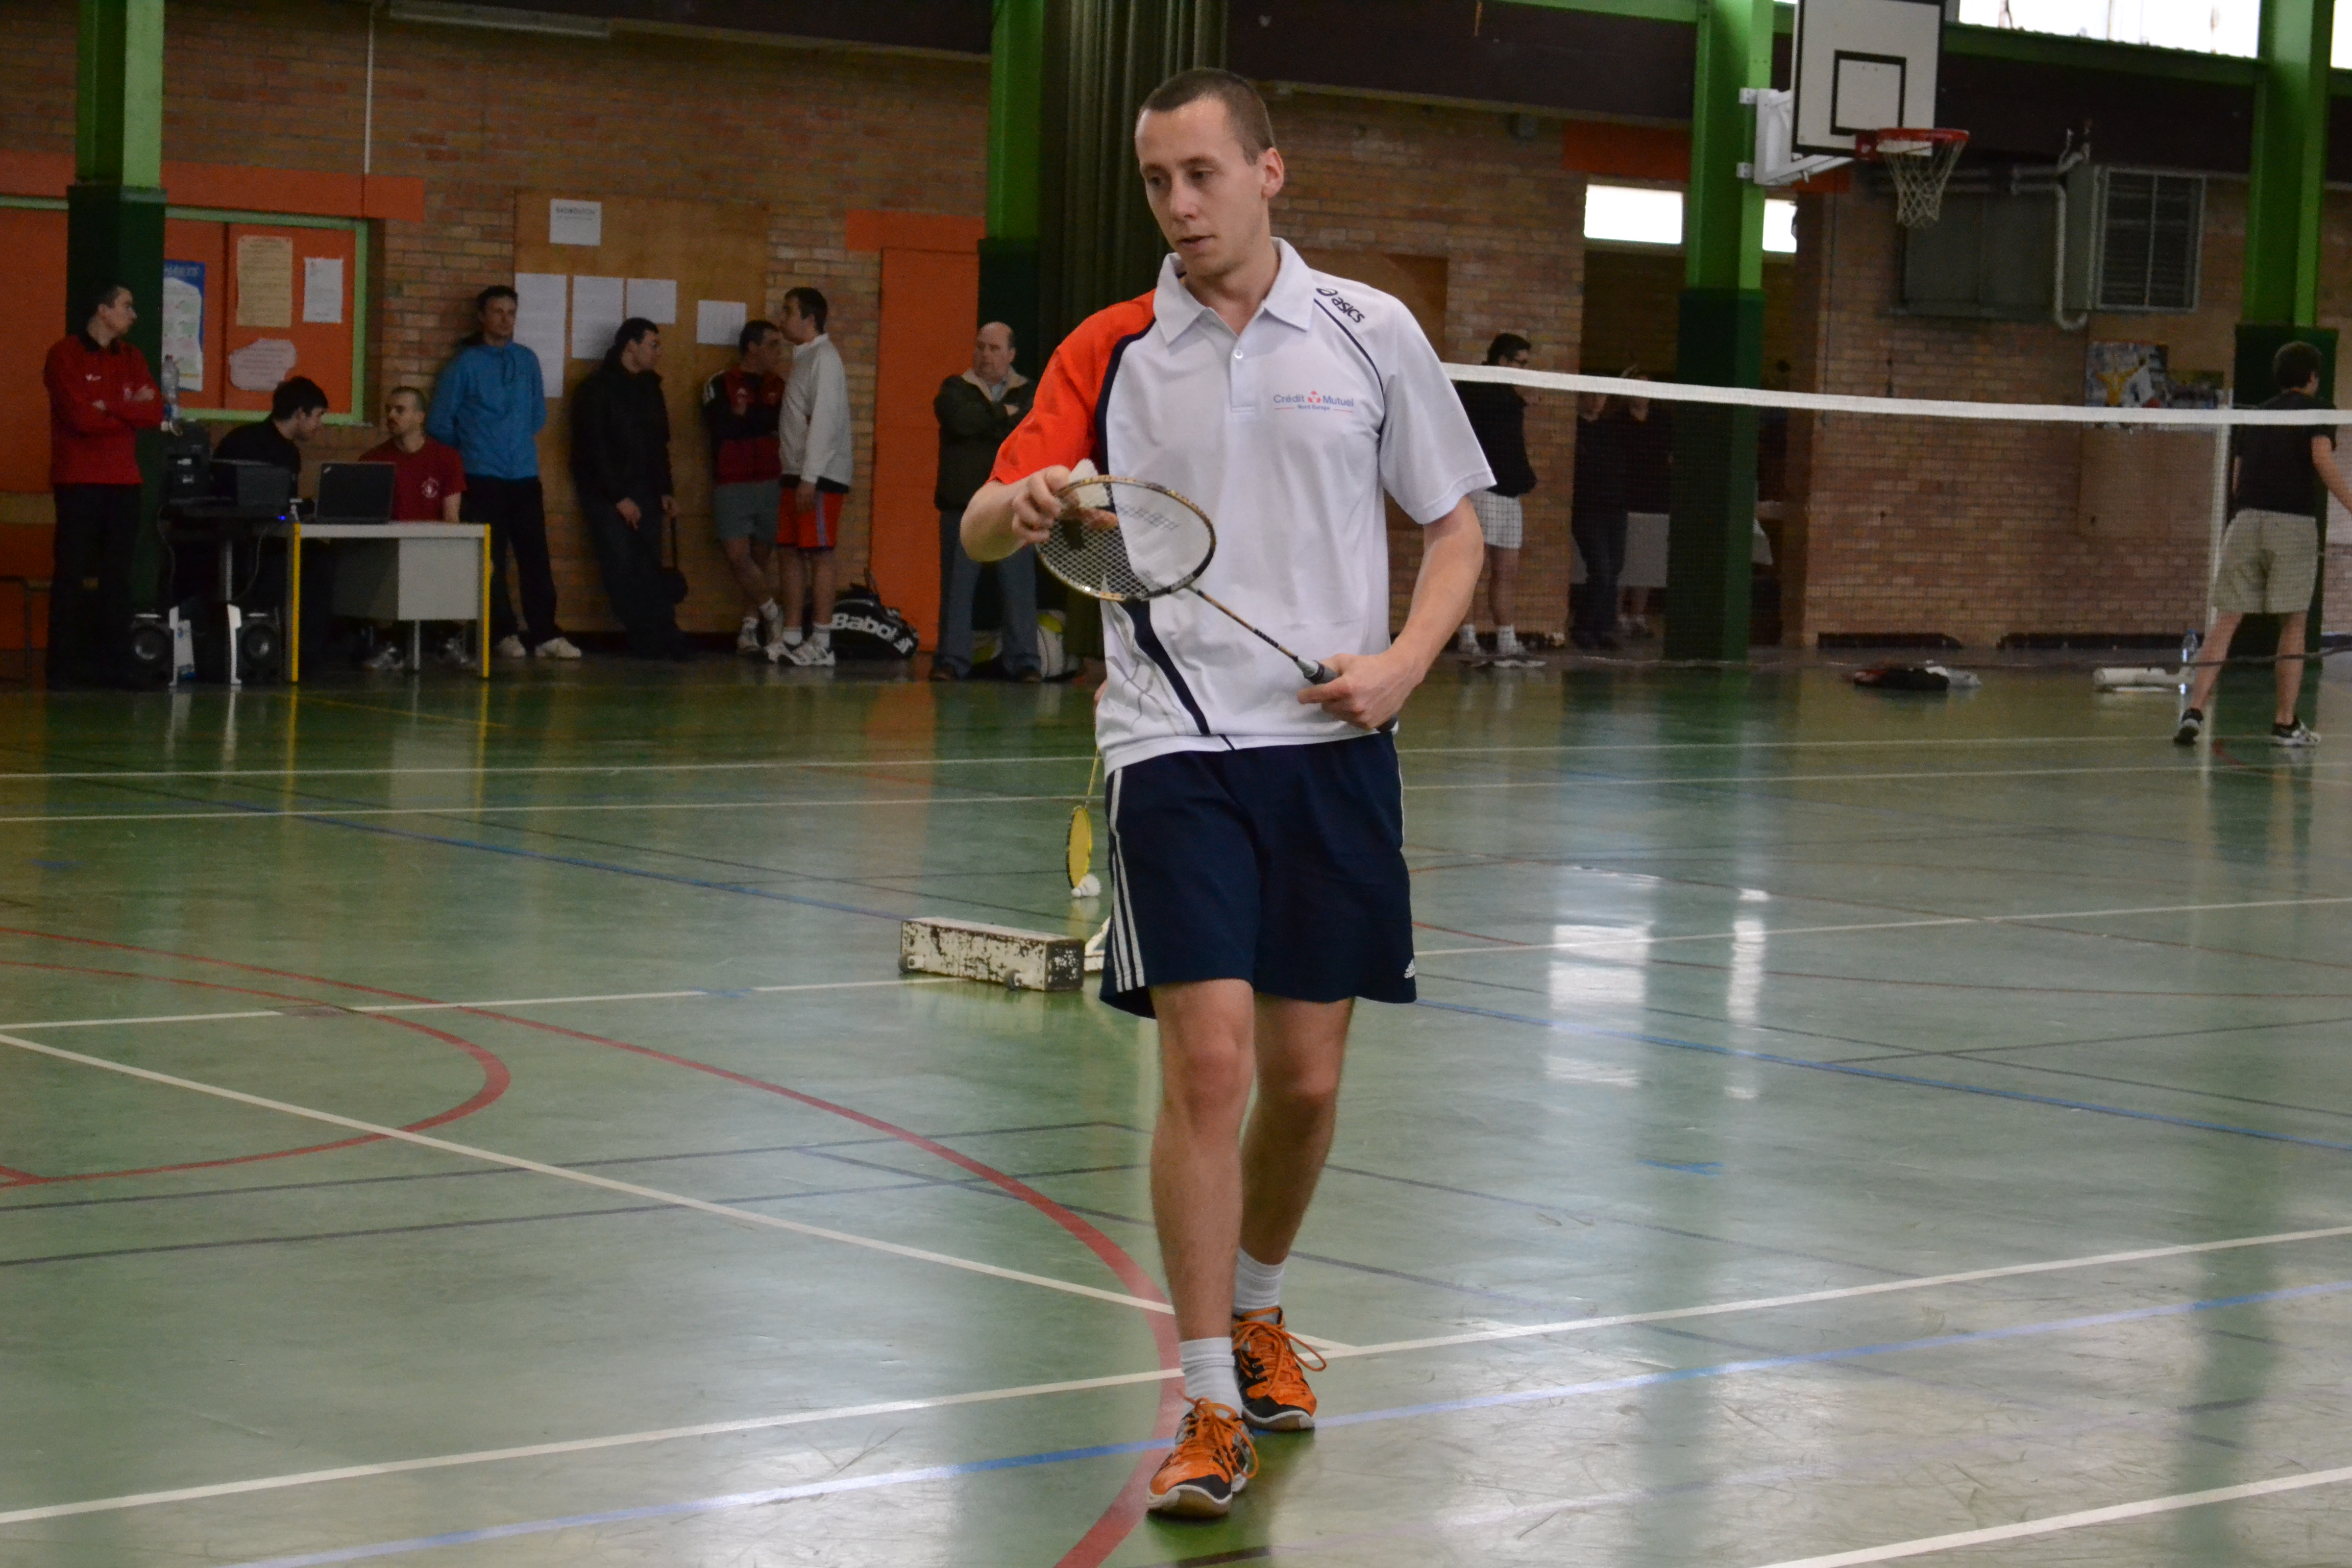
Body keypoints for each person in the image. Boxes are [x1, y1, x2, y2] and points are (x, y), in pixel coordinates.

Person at [961, 67, 1489, 1521]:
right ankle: (1203, 1401)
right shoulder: (1111, 346)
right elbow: (986, 520)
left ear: (1270, 171)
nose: (1179, 206)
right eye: (1157, 181)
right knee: (1209, 1064)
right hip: (1173, 743)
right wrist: (1029, 501)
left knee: (1306, 1081)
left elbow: (1456, 530)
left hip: (1334, 743)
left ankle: (1259, 1305)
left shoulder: (1370, 330)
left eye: (1201, 174)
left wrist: (1402, 664)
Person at [2176, 339, 2350, 748]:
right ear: (2313, 377)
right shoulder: (2319, 410)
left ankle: (2194, 711)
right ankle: (2285, 723)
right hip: (2291, 525)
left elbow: (2238, 478)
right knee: (2293, 623)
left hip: (2245, 521)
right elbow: (2322, 459)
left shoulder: (2255, 415)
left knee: (2227, 620)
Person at [429, 284, 579, 660]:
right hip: (481, 475)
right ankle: (502, 633)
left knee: (535, 557)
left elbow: (537, 415)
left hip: (524, 473)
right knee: (490, 559)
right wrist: (474, 447)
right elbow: (440, 422)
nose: (505, 319)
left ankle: (545, 634)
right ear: (482, 317)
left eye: (511, 312)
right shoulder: (464, 364)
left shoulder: (527, 360)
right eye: (497, 312)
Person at [43, 281, 163, 688]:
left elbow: (154, 414)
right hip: (79, 479)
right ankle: (62, 668)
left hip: (124, 481)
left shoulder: (132, 357)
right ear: (103, 311)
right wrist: (128, 410)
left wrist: (109, 406)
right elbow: (80, 418)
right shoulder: (65, 355)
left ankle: (116, 666)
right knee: (72, 572)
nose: (134, 315)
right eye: (126, 306)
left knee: (118, 576)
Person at [570, 317, 689, 660]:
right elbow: (593, 451)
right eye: (653, 345)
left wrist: (666, 490)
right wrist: (618, 497)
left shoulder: (651, 388)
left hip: (646, 489)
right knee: (621, 563)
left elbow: (659, 445)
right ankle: (642, 633)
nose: (659, 352)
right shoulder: (595, 389)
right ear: (631, 346)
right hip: (607, 493)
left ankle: (664, 630)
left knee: (649, 563)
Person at [932, 322, 1038, 681]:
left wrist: (988, 421)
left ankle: (1025, 662)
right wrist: (1002, 416)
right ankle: (951, 661)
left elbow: (1029, 429)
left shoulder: (1029, 392)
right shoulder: (954, 389)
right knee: (957, 590)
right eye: (980, 347)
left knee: (1019, 588)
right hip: (963, 507)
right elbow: (962, 422)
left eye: (994, 349)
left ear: (1011, 355)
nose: (985, 355)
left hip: (1014, 505)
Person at [357, 386, 468, 671]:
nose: (391, 416)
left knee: (479, 565)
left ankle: (448, 639)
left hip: (434, 545)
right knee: (373, 563)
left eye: (400, 410)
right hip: (390, 546)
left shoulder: (447, 458)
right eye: (388, 410)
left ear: (420, 417)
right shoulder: (373, 460)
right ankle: (391, 645)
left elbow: (452, 517)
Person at [771, 286, 851, 667]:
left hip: (817, 477)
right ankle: (790, 635)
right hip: (794, 472)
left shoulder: (825, 359)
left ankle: (821, 641)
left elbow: (825, 422)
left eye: (788, 311)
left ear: (810, 320)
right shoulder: (803, 358)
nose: (781, 318)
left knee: (819, 553)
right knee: (788, 550)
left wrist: (810, 477)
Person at [701, 318, 788, 655]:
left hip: (770, 479)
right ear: (752, 347)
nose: (779, 352)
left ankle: (750, 629)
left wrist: (746, 417)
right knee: (738, 557)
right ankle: (773, 613)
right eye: (772, 345)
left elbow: (779, 424)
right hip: (733, 480)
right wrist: (755, 421)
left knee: (761, 559)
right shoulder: (720, 382)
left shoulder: (778, 386)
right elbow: (721, 426)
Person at [1453, 333, 1537, 659]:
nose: (1524, 371)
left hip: (1510, 493)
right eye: (1520, 363)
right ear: (1502, 360)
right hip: (1483, 492)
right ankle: (1468, 638)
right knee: (1472, 569)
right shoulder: (1475, 387)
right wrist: (1521, 400)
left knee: (1507, 570)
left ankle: (1506, 639)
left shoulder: (1510, 394)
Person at [1569, 386, 1629, 650]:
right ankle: (1582, 626)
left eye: (1601, 396)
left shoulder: (1612, 429)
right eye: (1591, 396)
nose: (1596, 402)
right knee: (1601, 569)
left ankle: (1603, 628)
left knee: (1614, 568)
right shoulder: (1574, 429)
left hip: (1615, 508)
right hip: (1587, 509)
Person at [213, 375, 326, 476]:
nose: (320, 425)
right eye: (318, 416)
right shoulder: (244, 444)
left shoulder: (291, 453)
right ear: (301, 414)